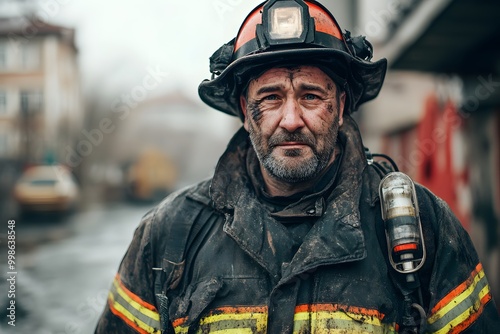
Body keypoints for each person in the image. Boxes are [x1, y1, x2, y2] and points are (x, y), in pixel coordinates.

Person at [95, 0, 500, 333]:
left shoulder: (421, 226)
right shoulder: (169, 234)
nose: (290, 119)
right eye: (270, 97)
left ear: (340, 107)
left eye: (310, 96)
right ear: (244, 110)